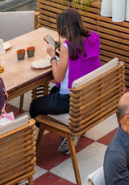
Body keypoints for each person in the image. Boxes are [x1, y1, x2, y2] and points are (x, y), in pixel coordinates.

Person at [30, 8, 101, 154]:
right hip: (88, 93)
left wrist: (52, 56)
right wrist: (64, 46)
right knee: (53, 91)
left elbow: (57, 77)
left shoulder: (67, 48)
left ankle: (68, 130)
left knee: (34, 107)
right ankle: (70, 127)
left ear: (63, 28)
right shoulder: (93, 37)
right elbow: (79, 58)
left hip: (70, 99)